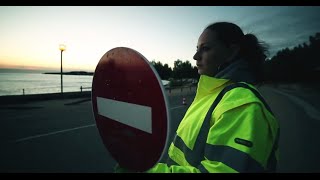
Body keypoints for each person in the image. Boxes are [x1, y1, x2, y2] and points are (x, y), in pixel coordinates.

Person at [116, 22, 280, 173]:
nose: (195, 56)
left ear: (232, 51)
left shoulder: (242, 105)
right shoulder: (211, 95)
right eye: (197, 48)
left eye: (205, 48)